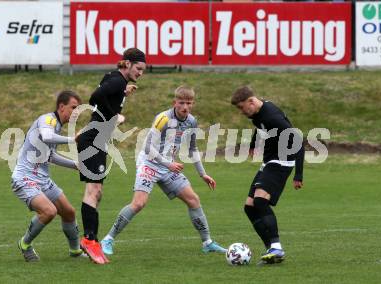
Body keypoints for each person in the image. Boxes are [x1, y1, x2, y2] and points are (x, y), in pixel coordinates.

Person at [100, 86, 227, 258]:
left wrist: (202, 173)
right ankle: (108, 239)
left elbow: (192, 148)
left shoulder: (191, 121)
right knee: (138, 204)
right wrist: (168, 164)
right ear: (175, 102)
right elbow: (147, 147)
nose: (185, 107)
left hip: (168, 167)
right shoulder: (163, 119)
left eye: (188, 103)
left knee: (194, 200)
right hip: (150, 164)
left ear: (192, 104)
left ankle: (207, 243)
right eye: (181, 103)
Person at [76, 48, 147, 264]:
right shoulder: (117, 81)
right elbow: (95, 97)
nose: (141, 72)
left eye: (143, 70)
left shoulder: (115, 79)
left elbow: (104, 91)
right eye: (138, 68)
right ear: (126, 63)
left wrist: (123, 94)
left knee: (96, 193)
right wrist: (114, 116)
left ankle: (91, 241)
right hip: (94, 139)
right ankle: (89, 240)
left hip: (96, 138)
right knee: (93, 190)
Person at [230, 86, 304, 264]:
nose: (241, 112)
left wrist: (298, 175)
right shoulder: (257, 114)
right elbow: (260, 126)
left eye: (242, 107)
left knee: (260, 201)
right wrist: (254, 144)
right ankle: (271, 248)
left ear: (251, 101)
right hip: (269, 161)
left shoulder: (272, 117)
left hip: (281, 162)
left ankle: (276, 248)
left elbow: (298, 142)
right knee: (249, 207)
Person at [11, 90, 82, 262]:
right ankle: (25, 243)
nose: (76, 113)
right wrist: (73, 139)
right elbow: (47, 136)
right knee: (49, 211)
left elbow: (50, 156)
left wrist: (75, 165)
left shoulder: (56, 126)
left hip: (42, 178)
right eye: (74, 108)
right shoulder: (48, 120)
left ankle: (75, 251)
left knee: (69, 212)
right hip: (25, 178)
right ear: (61, 106)